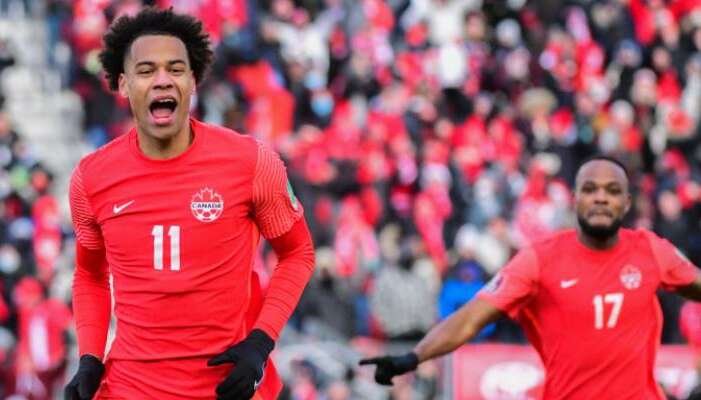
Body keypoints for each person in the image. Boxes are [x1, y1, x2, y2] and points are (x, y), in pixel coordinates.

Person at [64, 7, 315, 400]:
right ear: (124, 84)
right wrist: (90, 359)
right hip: (131, 389)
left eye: (176, 69)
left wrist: (261, 343)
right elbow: (90, 275)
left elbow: (298, 253)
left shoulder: (251, 161)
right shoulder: (91, 177)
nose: (163, 80)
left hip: (228, 387)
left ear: (193, 80)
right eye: (146, 71)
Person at [360, 156, 701, 399]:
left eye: (612, 191)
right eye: (591, 189)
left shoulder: (651, 250)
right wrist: (413, 356)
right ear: (575, 198)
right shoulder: (540, 259)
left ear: (626, 203)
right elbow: (470, 319)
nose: (601, 197)